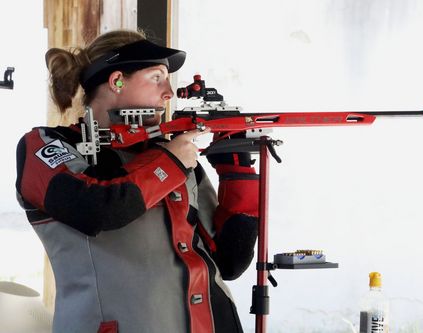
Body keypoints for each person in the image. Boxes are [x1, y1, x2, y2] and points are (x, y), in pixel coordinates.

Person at [15, 29, 259, 333]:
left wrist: (238, 173)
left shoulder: (172, 155)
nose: (169, 92)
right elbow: (96, 208)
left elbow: (230, 260)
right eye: (157, 77)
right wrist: (170, 162)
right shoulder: (45, 144)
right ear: (117, 80)